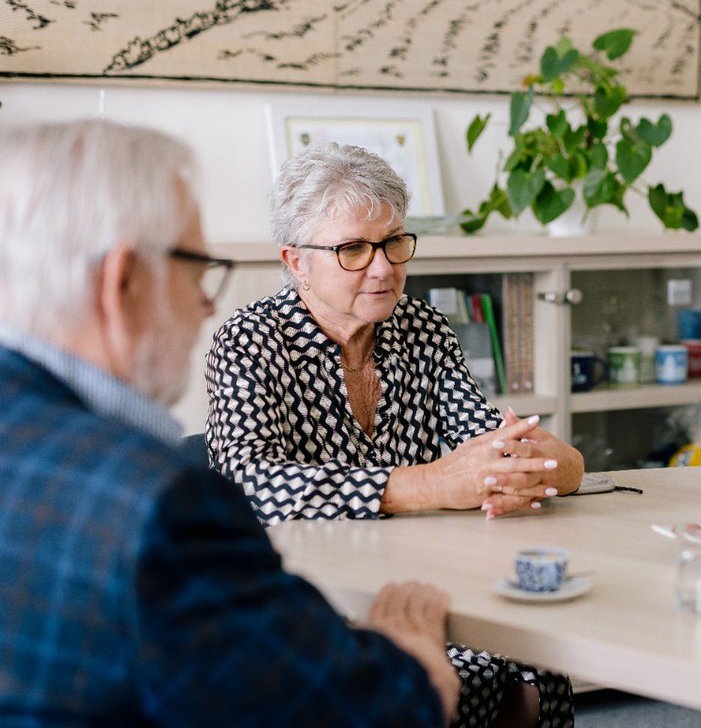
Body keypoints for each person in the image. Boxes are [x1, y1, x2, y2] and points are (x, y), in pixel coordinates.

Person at [0, 119, 458, 724]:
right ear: (124, 281)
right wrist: (416, 657)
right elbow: (371, 710)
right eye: (195, 268)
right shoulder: (162, 504)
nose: (207, 303)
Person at [204, 143, 579, 727]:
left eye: (393, 242)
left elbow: (494, 446)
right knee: (464, 669)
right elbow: (248, 483)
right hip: (311, 598)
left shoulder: (424, 328)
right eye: (353, 249)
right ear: (296, 260)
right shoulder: (250, 342)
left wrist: (560, 466)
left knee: (535, 659)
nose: (383, 267)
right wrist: (429, 484)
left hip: (433, 579)